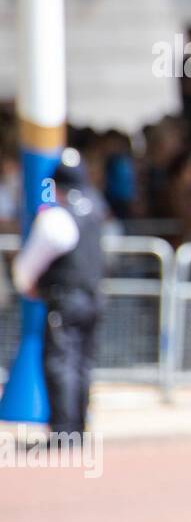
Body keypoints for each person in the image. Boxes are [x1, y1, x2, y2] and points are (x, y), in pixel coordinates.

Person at [10, 149, 107, 436]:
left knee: (61, 362)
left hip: (65, 299)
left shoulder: (57, 216)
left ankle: (65, 430)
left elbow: (29, 265)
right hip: (93, 296)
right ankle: (78, 426)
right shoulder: (96, 209)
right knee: (83, 363)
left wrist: (24, 281)